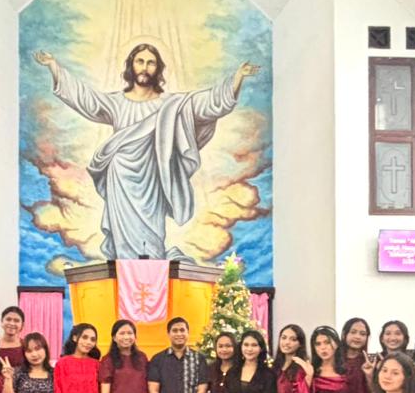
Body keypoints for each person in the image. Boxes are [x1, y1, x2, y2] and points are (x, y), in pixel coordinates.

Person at [33, 45, 259, 260]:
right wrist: (54, 67)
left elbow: (207, 103)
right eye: (140, 61)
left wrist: (237, 78)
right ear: (131, 65)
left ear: (158, 69)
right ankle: (126, 276)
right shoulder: (117, 102)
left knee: (152, 237)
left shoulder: (172, 105)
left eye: (151, 63)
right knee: (123, 239)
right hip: (120, 177)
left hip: (153, 177)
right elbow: (86, 99)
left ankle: (151, 276)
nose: (144, 67)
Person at [99, 319, 151, 393]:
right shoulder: (108, 360)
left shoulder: (142, 358)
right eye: (122, 333)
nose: (126, 337)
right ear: (114, 337)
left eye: (130, 333)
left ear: (135, 336)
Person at [273, 324, 313, 393]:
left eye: (293, 339)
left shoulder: (302, 368)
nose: (287, 342)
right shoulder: (276, 366)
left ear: (300, 344)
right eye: (284, 338)